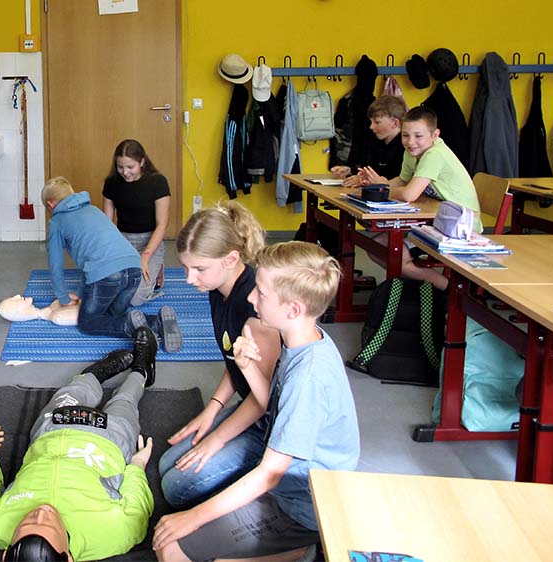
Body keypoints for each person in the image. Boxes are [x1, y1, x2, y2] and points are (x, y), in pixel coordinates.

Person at [152, 241, 359, 562]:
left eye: (261, 293)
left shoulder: (309, 377)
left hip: (303, 506)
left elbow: (269, 474)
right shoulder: (302, 339)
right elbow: (274, 410)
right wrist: (247, 368)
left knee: (171, 548)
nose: (251, 297)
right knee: (179, 515)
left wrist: (194, 517)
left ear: (292, 309)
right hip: (287, 484)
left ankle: (303, 548)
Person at [0, 327, 159, 561]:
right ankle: (142, 370)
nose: (42, 512)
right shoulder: (115, 534)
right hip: (109, 441)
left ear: (6, 554)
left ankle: (94, 375)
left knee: (70, 393)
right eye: (50, 524)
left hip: (52, 433)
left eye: (28, 522)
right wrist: (137, 466)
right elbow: (136, 509)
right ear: (68, 557)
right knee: (125, 400)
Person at [158, 201, 281, 509]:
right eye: (186, 267)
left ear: (231, 259)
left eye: (199, 269)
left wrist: (218, 438)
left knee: (176, 487)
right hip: (253, 405)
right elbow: (234, 359)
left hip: (273, 422)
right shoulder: (218, 289)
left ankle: (267, 483)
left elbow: (263, 397)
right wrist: (211, 410)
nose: (189, 278)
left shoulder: (255, 306)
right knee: (166, 464)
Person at [43, 177, 181, 348]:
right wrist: (80, 294)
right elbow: (93, 260)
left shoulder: (56, 222)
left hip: (108, 276)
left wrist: (63, 297)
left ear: (50, 204)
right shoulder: (93, 210)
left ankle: (128, 327)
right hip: (134, 269)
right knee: (112, 315)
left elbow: (55, 265)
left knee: (88, 323)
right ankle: (156, 322)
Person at [357, 105, 481, 290]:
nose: (411, 142)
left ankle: (449, 289)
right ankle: (421, 287)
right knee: (378, 245)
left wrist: (382, 187)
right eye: (405, 135)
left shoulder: (434, 154)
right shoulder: (411, 152)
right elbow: (402, 181)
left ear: (435, 135)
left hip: (461, 228)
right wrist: (374, 187)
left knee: (390, 249)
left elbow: (409, 194)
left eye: (418, 136)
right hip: (439, 220)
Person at [103, 139, 171, 305]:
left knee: (133, 299)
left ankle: (155, 270)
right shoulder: (111, 183)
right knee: (107, 291)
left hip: (149, 242)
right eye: (120, 167)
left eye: (130, 167)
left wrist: (145, 257)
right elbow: (107, 224)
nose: (125, 172)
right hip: (122, 241)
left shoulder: (158, 182)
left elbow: (162, 225)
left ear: (142, 162)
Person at [330, 95, 408, 188]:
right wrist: (351, 170)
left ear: (395, 123)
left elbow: (396, 179)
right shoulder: (376, 141)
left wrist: (365, 180)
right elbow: (372, 168)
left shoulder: (407, 147)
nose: (371, 127)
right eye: (371, 122)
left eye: (377, 122)